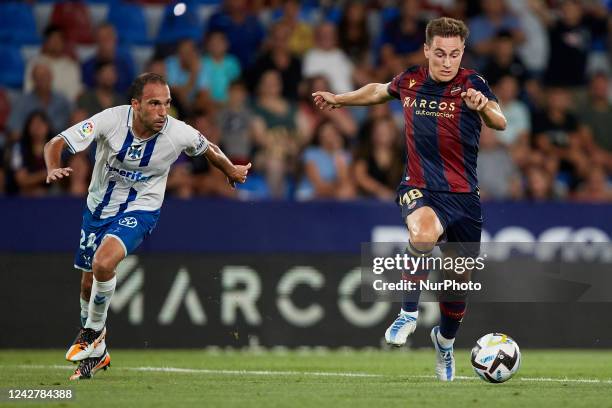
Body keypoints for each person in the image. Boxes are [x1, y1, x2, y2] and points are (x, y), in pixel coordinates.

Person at [312, 17, 506, 381]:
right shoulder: (411, 81)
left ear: (462, 52)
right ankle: (408, 312)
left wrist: (482, 106)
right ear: (427, 50)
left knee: (456, 284)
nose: (447, 62)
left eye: (454, 54)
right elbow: (378, 90)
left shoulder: (472, 84)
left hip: (464, 198)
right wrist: (340, 99)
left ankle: (444, 345)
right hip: (419, 187)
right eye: (440, 53)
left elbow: (500, 121)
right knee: (422, 235)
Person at [43, 73, 251, 380]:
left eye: (166, 104)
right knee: (88, 284)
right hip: (97, 210)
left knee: (104, 262)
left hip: (142, 208)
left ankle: (92, 333)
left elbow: (209, 149)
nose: (162, 111)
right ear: (136, 104)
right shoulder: (110, 121)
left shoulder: (177, 132)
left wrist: (230, 169)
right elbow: (56, 142)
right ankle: (97, 355)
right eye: (154, 104)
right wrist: (52, 166)